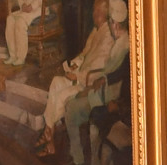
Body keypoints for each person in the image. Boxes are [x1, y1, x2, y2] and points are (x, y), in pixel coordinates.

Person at [38, 0, 113, 156]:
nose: (94, 14)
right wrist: (74, 64)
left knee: (61, 96)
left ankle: (49, 138)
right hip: (80, 75)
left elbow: (98, 70)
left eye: (97, 11)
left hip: (88, 85)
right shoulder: (96, 30)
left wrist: (77, 76)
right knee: (56, 82)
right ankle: (49, 131)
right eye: (94, 10)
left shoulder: (108, 37)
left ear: (104, 14)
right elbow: (85, 54)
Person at [2, 0, 40, 66]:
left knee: (20, 22)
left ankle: (21, 57)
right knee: (10, 19)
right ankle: (13, 56)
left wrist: (32, 6)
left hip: (38, 9)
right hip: (25, 10)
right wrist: (23, 4)